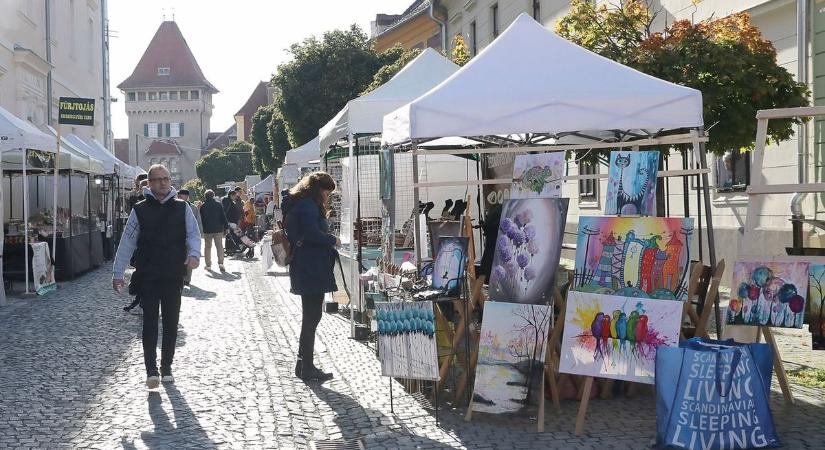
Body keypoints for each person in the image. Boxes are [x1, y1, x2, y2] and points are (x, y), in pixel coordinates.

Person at [112, 164, 201, 389]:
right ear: (149, 183)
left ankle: (167, 367)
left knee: (171, 322)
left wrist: (194, 254)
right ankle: (151, 370)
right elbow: (127, 242)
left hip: (173, 274)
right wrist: (118, 272)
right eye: (158, 179)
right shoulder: (139, 210)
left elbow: (193, 234)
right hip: (148, 274)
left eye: (166, 178)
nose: (163, 183)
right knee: (150, 323)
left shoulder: (183, 208)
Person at [282, 172, 340, 382]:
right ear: (318, 190)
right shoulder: (307, 205)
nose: (327, 196)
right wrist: (332, 239)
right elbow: (311, 234)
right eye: (326, 192)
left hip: (307, 266)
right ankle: (307, 366)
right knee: (312, 318)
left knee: (311, 317)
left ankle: (302, 363)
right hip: (310, 267)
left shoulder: (301, 202)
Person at [123, 178, 151, 313]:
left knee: (144, 275)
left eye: (140, 186)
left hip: (145, 246)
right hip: (141, 246)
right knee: (142, 274)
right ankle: (141, 300)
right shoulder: (137, 201)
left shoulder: (141, 203)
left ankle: (143, 301)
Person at [199, 189, 228, 272]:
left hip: (207, 230)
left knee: (207, 247)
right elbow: (223, 216)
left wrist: (202, 229)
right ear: (213, 196)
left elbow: (201, 219)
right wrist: (226, 227)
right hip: (218, 229)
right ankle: (221, 263)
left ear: (205, 196)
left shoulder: (203, 206)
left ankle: (208, 265)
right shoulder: (218, 205)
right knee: (219, 246)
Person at [177, 189, 202, 285]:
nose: (179, 197)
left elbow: (197, 220)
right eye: (179, 195)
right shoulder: (175, 206)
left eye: (181, 195)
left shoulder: (193, 208)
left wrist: (199, 233)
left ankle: (187, 278)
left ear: (187, 196)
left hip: (189, 235)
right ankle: (179, 275)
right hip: (178, 235)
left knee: (190, 255)